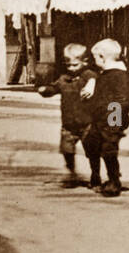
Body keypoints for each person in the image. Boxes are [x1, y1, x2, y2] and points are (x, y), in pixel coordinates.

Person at [36, 43, 97, 188]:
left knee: (92, 150)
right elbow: (54, 88)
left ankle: (96, 174)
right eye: (68, 65)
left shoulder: (88, 75)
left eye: (75, 65)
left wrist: (91, 84)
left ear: (85, 62)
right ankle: (72, 172)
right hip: (68, 124)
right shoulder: (64, 78)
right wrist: (45, 90)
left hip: (87, 122)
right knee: (66, 149)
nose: (71, 68)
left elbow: (96, 79)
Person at [82, 38, 129, 197]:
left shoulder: (118, 75)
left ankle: (113, 180)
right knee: (91, 143)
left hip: (112, 119)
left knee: (108, 148)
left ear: (103, 57)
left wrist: (113, 122)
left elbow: (122, 100)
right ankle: (96, 175)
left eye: (95, 57)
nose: (94, 61)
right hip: (100, 119)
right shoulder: (105, 74)